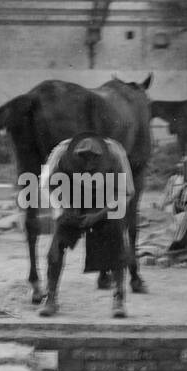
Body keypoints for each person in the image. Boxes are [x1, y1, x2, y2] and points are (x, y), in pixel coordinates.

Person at [37, 132, 135, 319]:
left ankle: (119, 298)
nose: (89, 164)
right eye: (83, 158)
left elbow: (126, 193)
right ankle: (50, 297)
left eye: (94, 159)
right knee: (56, 245)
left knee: (117, 241)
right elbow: (46, 186)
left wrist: (99, 214)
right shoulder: (61, 152)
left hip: (104, 204)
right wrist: (64, 209)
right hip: (71, 203)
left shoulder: (115, 153)